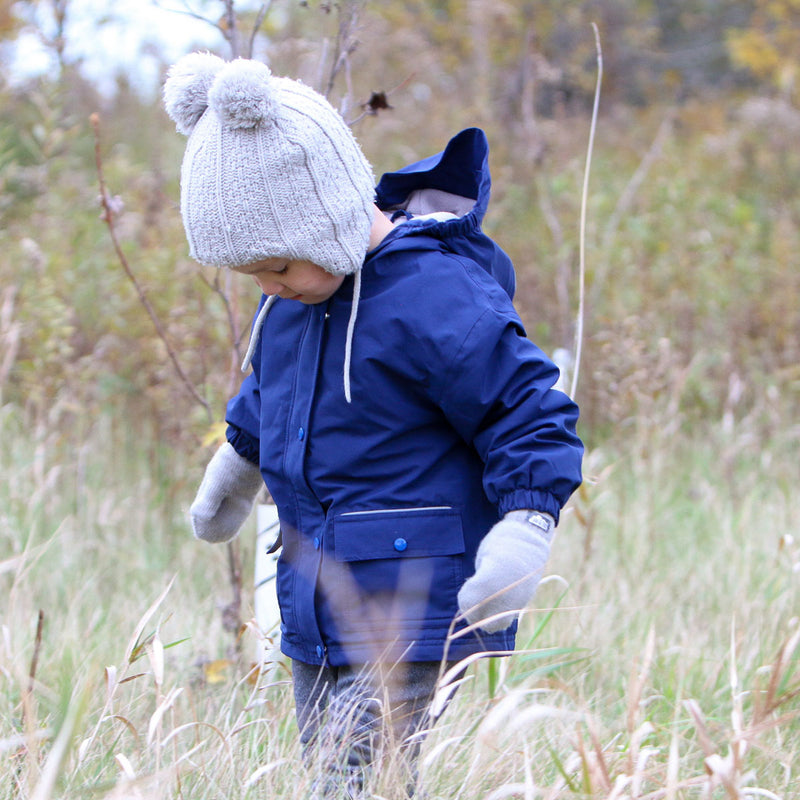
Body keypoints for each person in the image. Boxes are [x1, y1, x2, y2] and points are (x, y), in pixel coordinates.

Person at [164, 52, 583, 797]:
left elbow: (528, 408)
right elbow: (274, 392)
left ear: (325, 216)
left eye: (278, 267)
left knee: (351, 778)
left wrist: (527, 524)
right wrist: (237, 460)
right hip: (314, 595)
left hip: (416, 600)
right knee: (333, 770)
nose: (268, 287)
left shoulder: (435, 294)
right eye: (252, 275)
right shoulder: (296, 302)